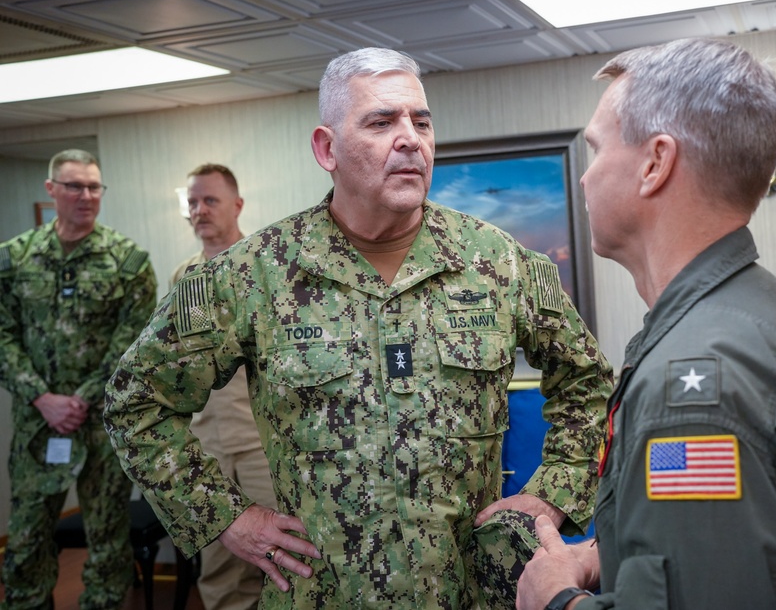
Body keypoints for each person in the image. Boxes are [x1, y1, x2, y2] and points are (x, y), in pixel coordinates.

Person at [104, 47, 614, 609]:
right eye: (381, 121)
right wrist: (226, 517)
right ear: (327, 149)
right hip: (327, 593)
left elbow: (587, 380)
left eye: (421, 122)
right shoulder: (250, 276)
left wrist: (554, 491)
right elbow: (136, 402)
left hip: (469, 592)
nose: (410, 139)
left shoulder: (500, 262)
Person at [516, 38, 776, 610]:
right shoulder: (758, 305)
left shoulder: (692, 384)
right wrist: (606, 555)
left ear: (655, 163)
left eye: (596, 150)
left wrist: (555, 600)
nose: (584, 178)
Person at [0, 149, 158, 609]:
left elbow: (131, 347)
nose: (86, 195)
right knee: (26, 542)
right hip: (36, 427)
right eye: (74, 186)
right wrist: (41, 398)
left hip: (101, 427)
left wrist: (79, 401)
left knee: (109, 544)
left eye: (94, 186)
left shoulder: (129, 262)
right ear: (51, 190)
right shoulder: (13, 259)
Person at [170, 164, 277, 610]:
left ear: (237, 205)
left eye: (210, 200)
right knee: (219, 568)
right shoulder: (184, 278)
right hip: (208, 443)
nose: (199, 210)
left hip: (262, 443)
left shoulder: (265, 266)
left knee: (282, 558)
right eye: (192, 202)